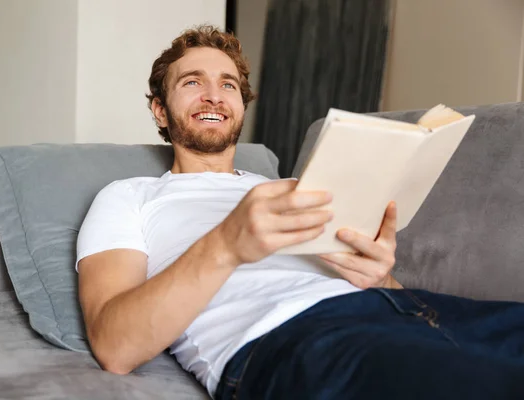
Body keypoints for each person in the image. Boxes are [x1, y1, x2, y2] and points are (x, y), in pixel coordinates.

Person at [75, 25, 524, 400]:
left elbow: (375, 278)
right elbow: (115, 346)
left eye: (228, 85)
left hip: (409, 308)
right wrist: (226, 243)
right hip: (294, 339)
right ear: (160, 109)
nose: (214, 96)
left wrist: (380, 276)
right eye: (192, 82)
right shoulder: (128, 196)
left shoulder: (293, 186)